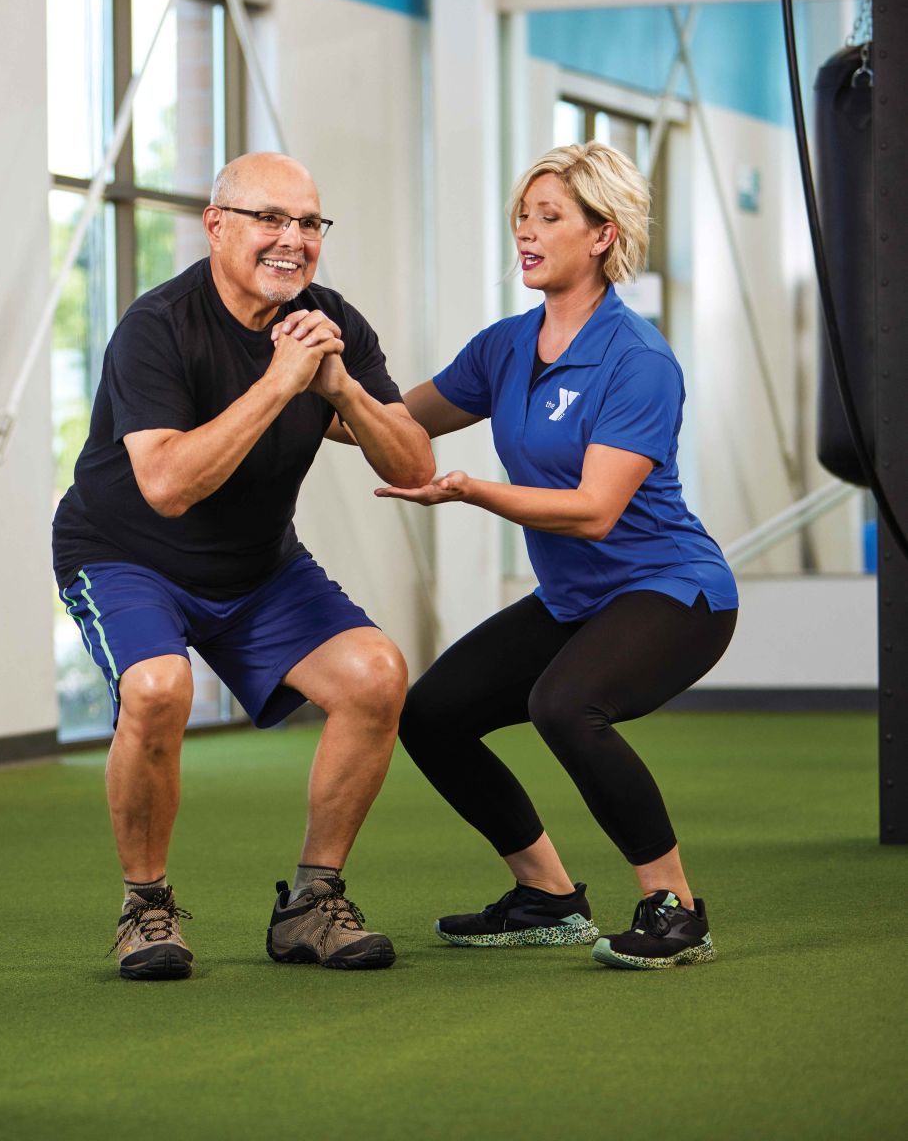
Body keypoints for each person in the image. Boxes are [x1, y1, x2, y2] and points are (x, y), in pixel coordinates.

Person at [53, 152, 435, 979]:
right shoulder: (157, 327)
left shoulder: (329, 321)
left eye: (307, 223)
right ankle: (145, 908)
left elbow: (410, 467)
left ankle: (310, 905)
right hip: (127, 555)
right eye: (269, 219)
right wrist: (278, 382)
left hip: (258, 566)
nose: (290, 240)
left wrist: (341, 390)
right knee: (156, 688)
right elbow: (165, 486)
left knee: (375, 675)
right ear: (217, 224)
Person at [379, 142, 738, 970]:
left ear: (602, 235)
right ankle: (545, 897)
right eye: (521, 216)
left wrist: (469, 490)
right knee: (430, 714)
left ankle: (675, 910)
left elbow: (593, 511)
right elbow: (394, 425)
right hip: (577, 600)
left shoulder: (636, 359)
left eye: (549, 218)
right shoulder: (504, 346)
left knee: (563, 703)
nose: (527, 233)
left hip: (671, 590)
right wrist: (307, 384)